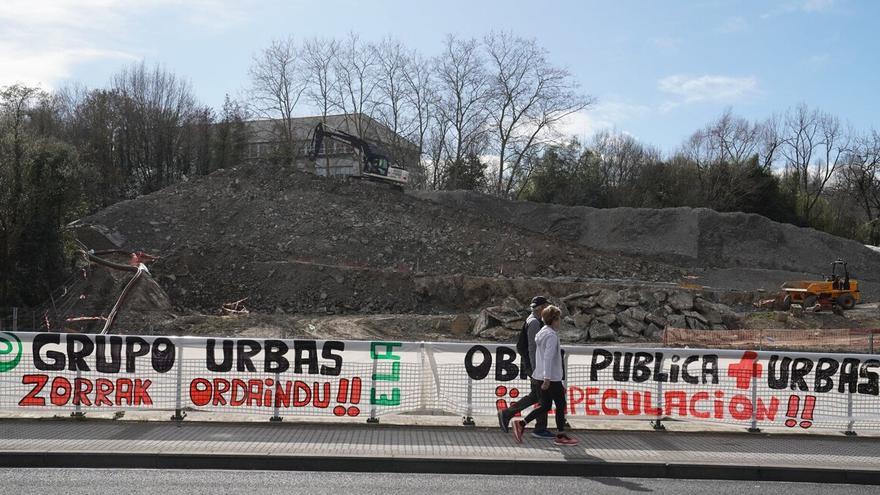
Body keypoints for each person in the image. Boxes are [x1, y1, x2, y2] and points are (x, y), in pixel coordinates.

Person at [512, 305, 578, 446]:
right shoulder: (551, 336)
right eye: (559, 318)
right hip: (551, 378)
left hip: (540, 375)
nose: (560, 321)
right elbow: (548, 357)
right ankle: (560, 436)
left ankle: (521, 424)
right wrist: (547, 378)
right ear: (554, 320)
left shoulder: (542, 332)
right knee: (561, 405)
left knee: (545, 405)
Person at [497, 296, 552, 438]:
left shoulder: (533, 320)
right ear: (541, 308)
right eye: (546, 306)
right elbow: (533, 349)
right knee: (542, 396)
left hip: (533, 365)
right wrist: (536, 370)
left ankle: (507, 414)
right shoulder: (534, 323)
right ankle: (539, 429)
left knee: (537, 395)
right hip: (534, 366)